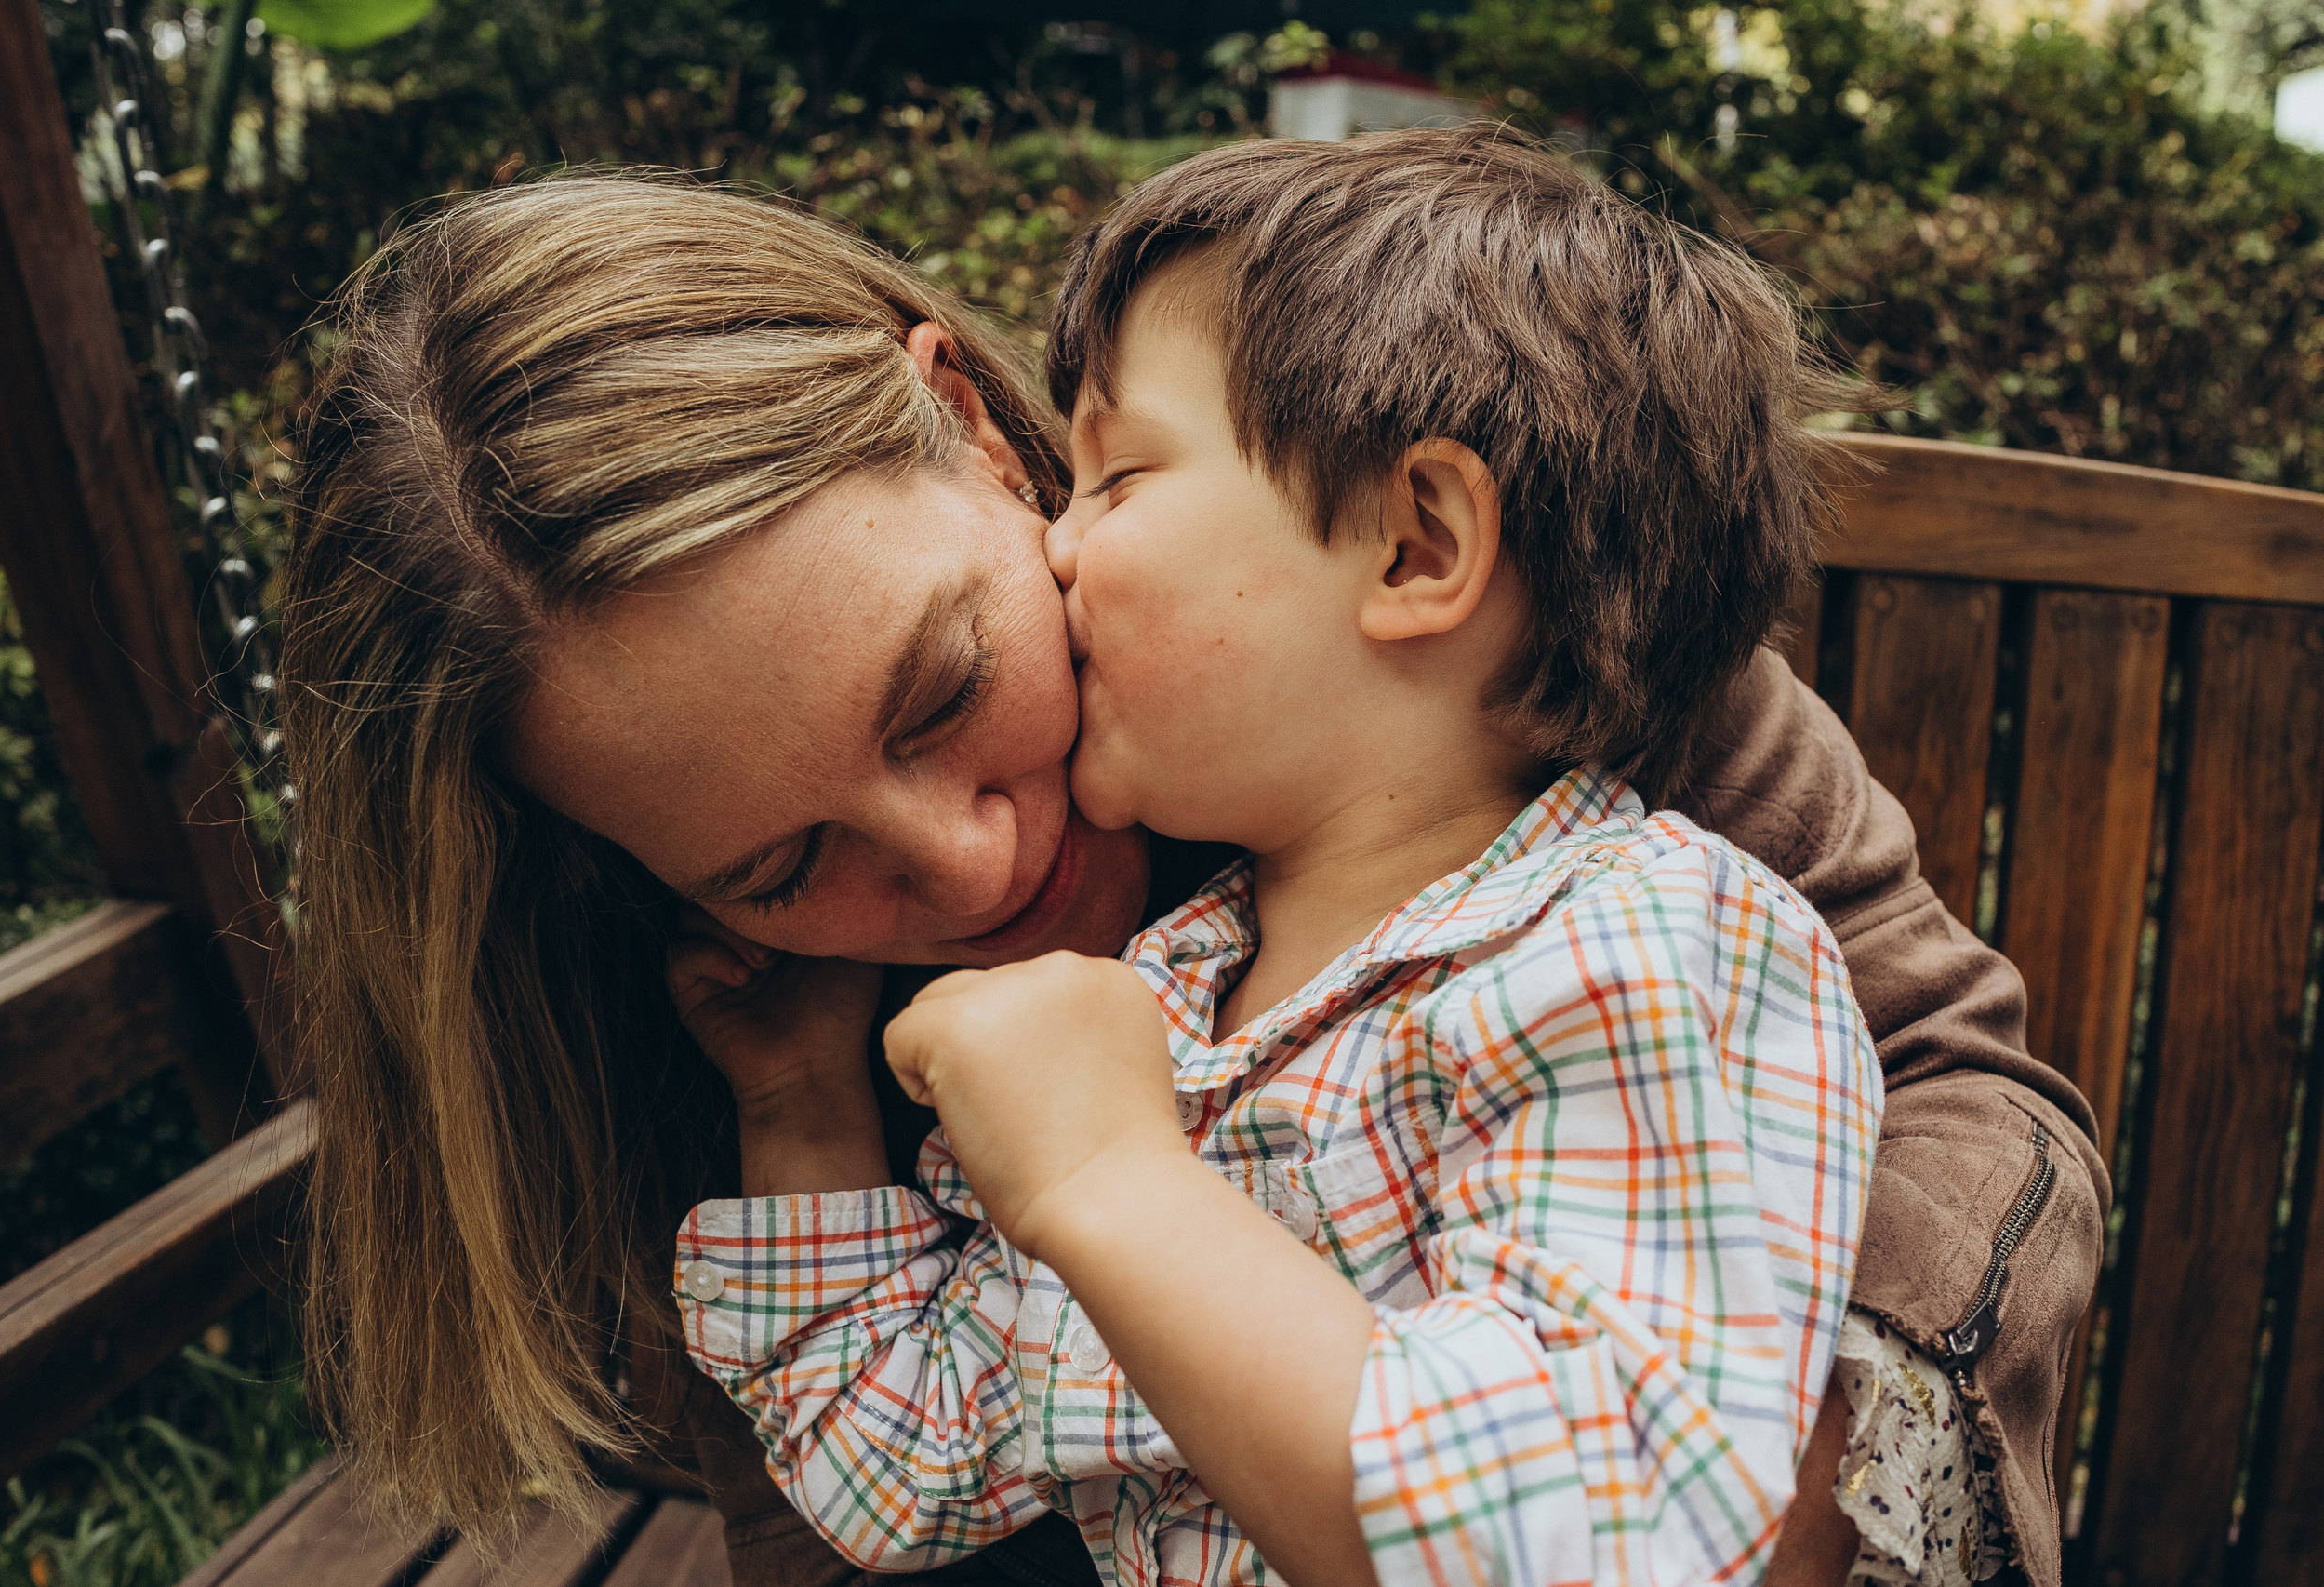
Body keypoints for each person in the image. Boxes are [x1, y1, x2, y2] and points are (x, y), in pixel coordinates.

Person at [279, 167, 2105, 1587]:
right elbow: (876, 1483)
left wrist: (1808, 1440)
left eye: (941, 687)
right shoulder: (786, 997)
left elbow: (1951, 1088)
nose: (970, 860)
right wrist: (803, 1116)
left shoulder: (1522, 706)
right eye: (785, 859)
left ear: (984, 443)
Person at [671, 127, 1882, 1587]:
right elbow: (899, 1467)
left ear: (1419, 542)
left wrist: (1114, 1179)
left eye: (1115, 478)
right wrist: (801, 1098)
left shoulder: (1644, 943)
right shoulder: (1170, 1003)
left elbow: (1607, 1543)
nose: (1053, 547)